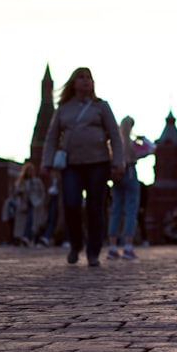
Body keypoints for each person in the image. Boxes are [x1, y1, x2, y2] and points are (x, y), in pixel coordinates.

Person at [41, 67, 124, 266]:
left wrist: (118, 161)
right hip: (71, 165)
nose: (86, 81)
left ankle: (93, 251)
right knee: (71, 204)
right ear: (73, 83)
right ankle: (75, 245)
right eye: (81, 78)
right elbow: (52, 137)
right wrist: (46, 162)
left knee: (96, 207)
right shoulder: (63, 109)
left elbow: (114, 135)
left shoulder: (101, 107)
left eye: (89, 78)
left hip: (98, 163)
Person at [106, 116, 141, 261]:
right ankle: (128, 247)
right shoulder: (132, 143)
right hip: (131, 173)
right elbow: (150, 149)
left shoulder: (115, 144)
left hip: (117, 175)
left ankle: (112, 247)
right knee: (131, 210)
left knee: (116, 210)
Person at [12, 162, 46, 247]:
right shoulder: (22, 182)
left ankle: (29, 238)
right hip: (24, 204)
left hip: (35, 204)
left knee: (34, 222)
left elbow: (42, 192)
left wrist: (41, 201)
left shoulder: (36, 181)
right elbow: (17, 192)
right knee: (25, 222)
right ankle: (24, 238)